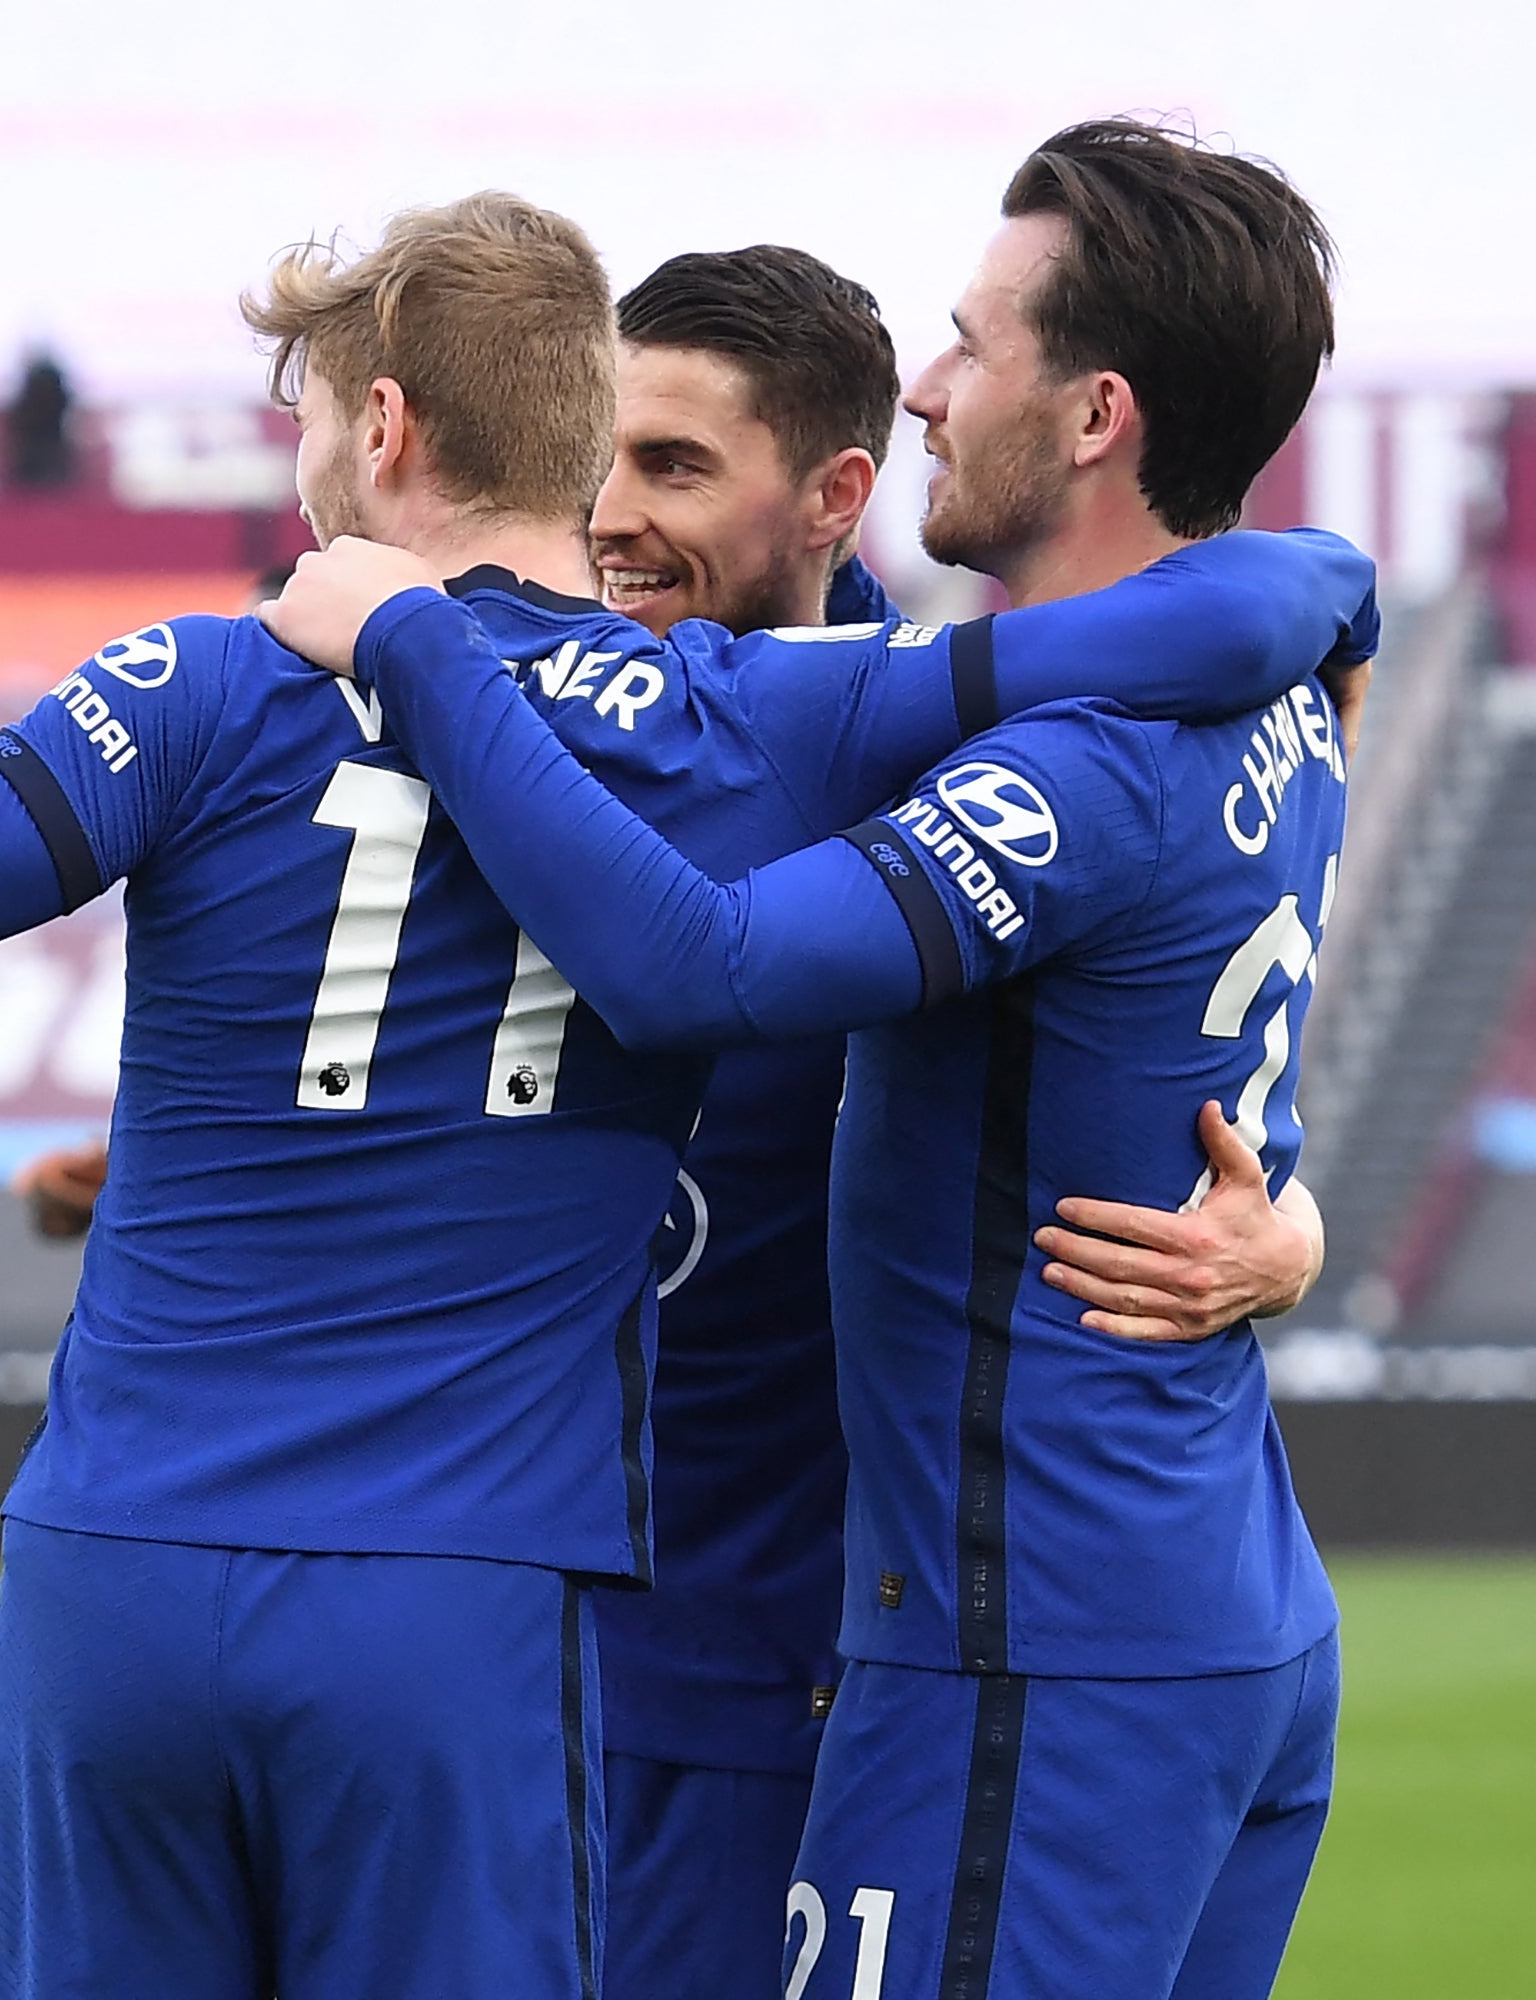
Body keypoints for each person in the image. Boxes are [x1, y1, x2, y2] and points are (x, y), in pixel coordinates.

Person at [0, 191, 1367, 2000]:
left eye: (308, 425)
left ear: (383, 428)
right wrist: (1341, 581)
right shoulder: (759, 718)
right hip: (474, 1601)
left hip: (129, 1567)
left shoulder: (206, 678)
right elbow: (1185, 636)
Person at [259, 121, 1359, 2000]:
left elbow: (701, 967)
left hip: (1018, 1643)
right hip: (1188, 1597)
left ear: (1092, 415)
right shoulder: (1253, 691)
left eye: (969, 347)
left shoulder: (1059, 768)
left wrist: (427, 650)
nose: (936, 389)